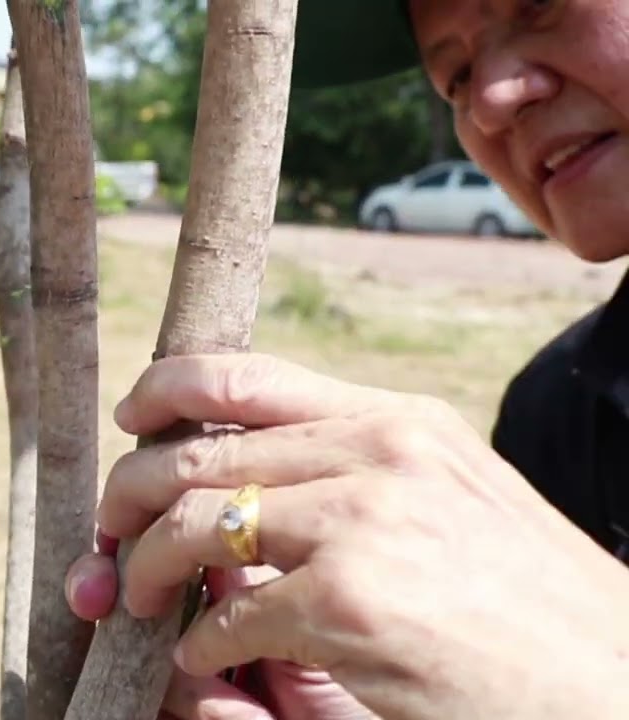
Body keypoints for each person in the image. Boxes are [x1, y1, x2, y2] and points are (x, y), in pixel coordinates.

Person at [62, 1, 629, 718]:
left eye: (540, 7)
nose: (488, 102)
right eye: (453, 77)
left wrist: (592, 649)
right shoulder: (555, 415)